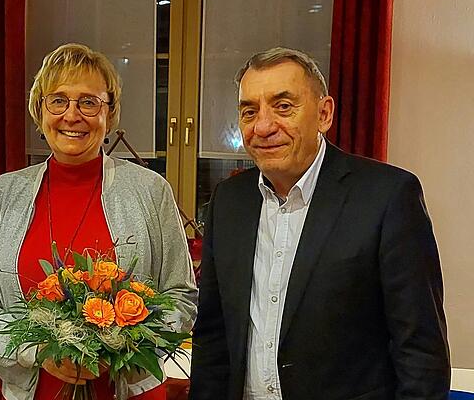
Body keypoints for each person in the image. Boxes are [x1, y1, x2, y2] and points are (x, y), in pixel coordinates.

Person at [189, 47, 450, 400]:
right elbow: (213, 338)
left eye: (283, 107)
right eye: (249, 111)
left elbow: (420, 351)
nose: (263, 127)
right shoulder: (229, 202)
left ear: (324, 113)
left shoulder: (387, 197)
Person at [0, 43, 198, 400]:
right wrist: (38, 351)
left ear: (109, 113)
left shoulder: (150, 190)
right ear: (40, 111)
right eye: (58, 100)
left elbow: (182, 297)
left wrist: (121, 345)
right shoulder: (3, 195)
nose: (72, 115)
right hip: (31, 392)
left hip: (131, 393)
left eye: (89, 102)